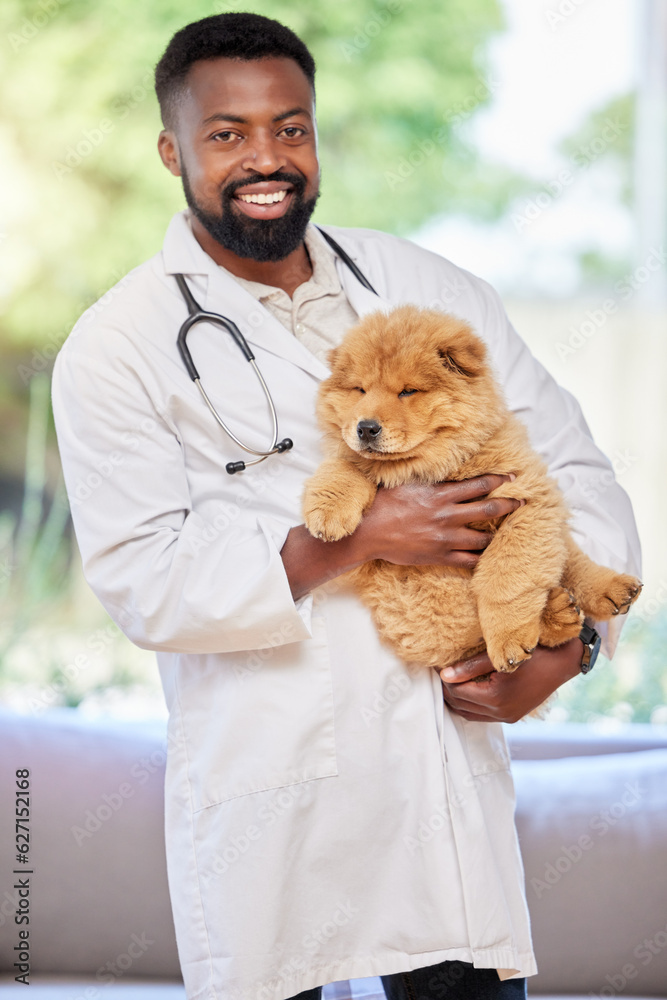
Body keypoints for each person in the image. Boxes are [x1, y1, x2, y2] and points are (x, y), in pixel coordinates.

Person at [51, 12, 641, 1000]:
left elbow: (577, 473)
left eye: (290, 126)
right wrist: (350, 542)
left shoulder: (423, 286)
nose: (265, 157)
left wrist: (563, 650)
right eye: (226, 133)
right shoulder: (119, 346)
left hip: (439, 790)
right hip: (276, 799)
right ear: (172, 149)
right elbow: (142, 580)